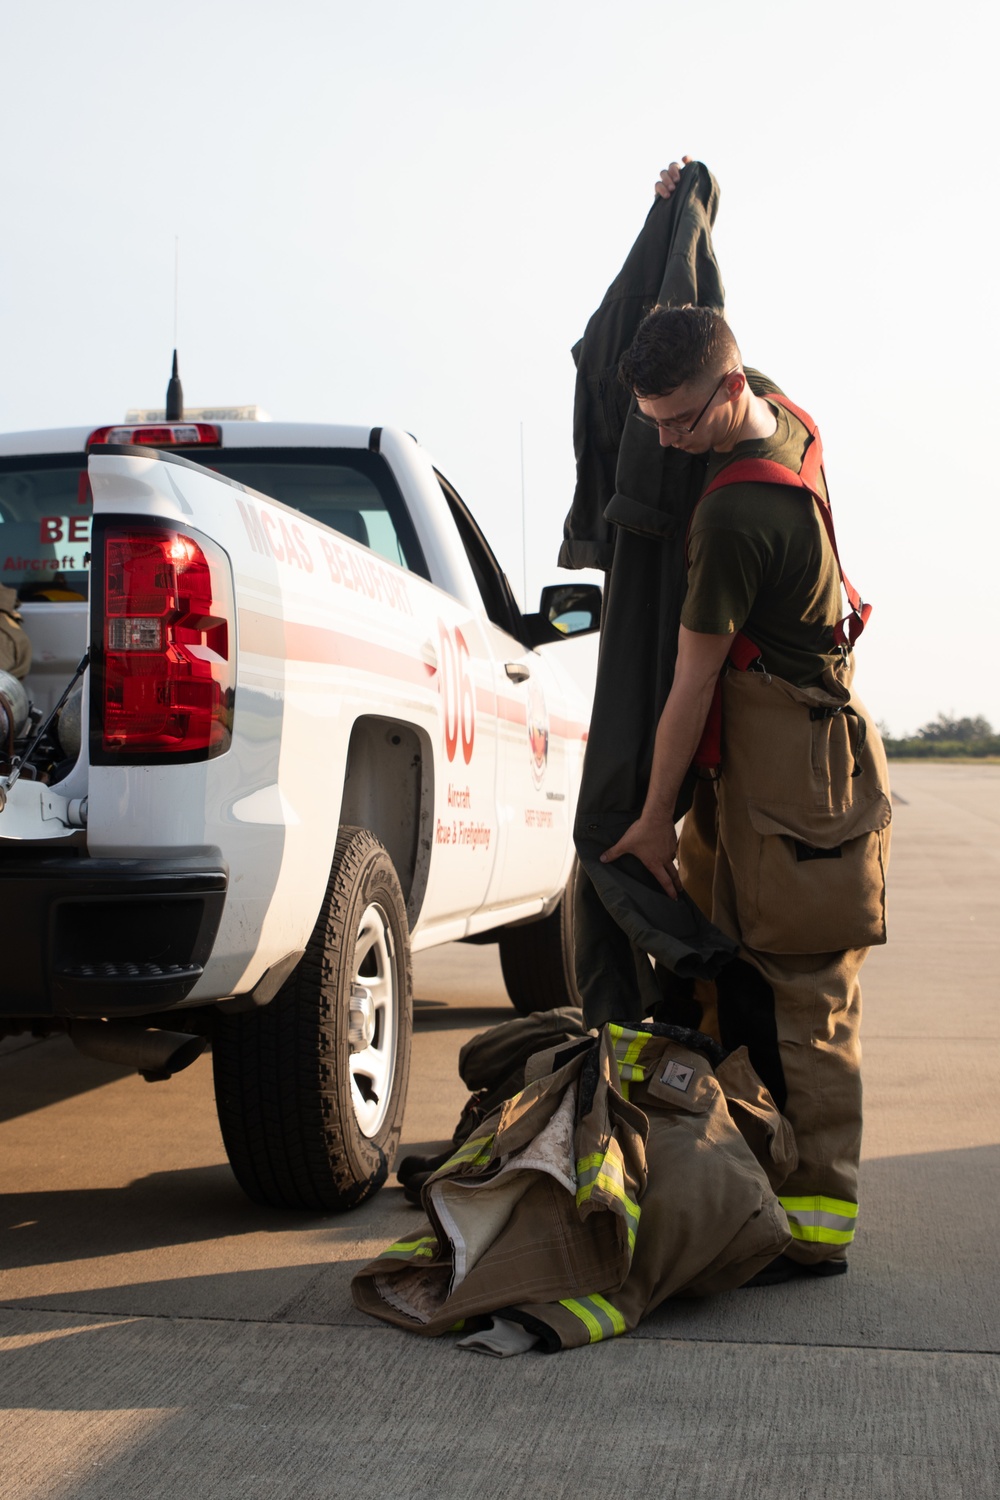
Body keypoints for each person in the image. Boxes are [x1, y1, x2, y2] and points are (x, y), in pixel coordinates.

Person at [600, 237, 891, 1284]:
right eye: (652, 427)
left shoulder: (732, 513)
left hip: (796, 772)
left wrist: (649, 817)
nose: (670, 445)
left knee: (802, 997)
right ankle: (751, 1186)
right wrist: (677, 214)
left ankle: (816, 1230)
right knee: (728, 981)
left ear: (729, 389)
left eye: (683, 420)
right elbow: (694, 322)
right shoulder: (776, 402)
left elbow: (689, 683)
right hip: (769, 762)